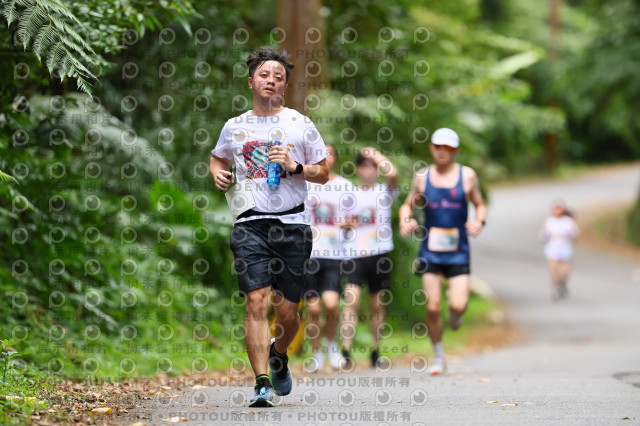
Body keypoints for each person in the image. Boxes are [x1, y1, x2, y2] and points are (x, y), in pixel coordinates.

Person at [210, 47, 329, 407]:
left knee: (289, 313)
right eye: (264, 75)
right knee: (255, 301)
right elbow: (217, 158)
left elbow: (324, 173)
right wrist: (218, 174)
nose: (271, 80)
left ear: (285, 85)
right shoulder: (234, 126)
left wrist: (295, 167)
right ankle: (262, 382)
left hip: (293, 224)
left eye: (278, 76)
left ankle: (279, 354)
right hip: (250, 223)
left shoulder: (300, 124)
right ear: (251, 82)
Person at [398, 128, 486, 376]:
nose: (442, 151)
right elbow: (407, 204)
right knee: (433, 307)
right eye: (438, 146)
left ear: (455, 151)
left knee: (458, 306)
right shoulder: (422, 177)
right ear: (431, 148)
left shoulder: (467, 176)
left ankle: (456, 312)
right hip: (431, 253)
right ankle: (438, 355)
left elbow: (479, 204)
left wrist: (479, 221)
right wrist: (406, 219)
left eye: (447, 148)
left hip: (458, 252)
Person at [340, 146, 398, 368]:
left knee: (377, 304)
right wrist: (346, 225)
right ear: (358, 169)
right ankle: (345, 351)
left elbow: (392, 173)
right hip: (355, 254)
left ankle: (375, 350)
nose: (370, 171)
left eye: (373, 167)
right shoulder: (350, 195)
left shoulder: (384, 192)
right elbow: (341, 223)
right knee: (351, 300)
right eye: (365, 166)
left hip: (379, 254)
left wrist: (374, 154)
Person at [303, 144, 351, 372]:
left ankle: (332, 346)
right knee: (313, 309)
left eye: (330, 153)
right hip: (309, 254)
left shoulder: (345, 186)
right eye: (321, 153)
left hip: (335, 254)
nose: (326, 157)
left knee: (331, 304)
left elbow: (355, 219)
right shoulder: (305, 184)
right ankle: (316, 354)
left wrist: (349, 225)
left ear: (335, 159)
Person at [539, 201, 580, 301]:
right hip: (552, 247)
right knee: (554, 269)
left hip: (565, 247)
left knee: (565, 270)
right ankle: (555, 288)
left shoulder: (568, 222)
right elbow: (542, 236)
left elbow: (575, 234)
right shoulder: (549, 222)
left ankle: (563, 284)